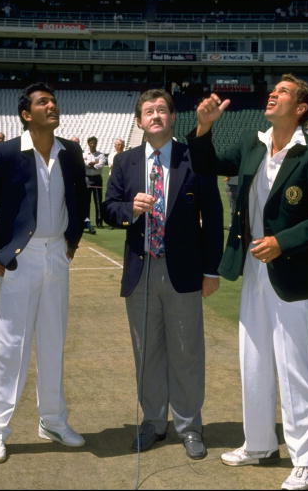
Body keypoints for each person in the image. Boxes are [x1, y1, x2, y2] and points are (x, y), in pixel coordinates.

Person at [187, 74, 308, 490]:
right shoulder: (254, 144)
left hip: (288, 272)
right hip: (251, 268)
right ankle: (258, 444)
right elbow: (207, 164)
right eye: (273, 90)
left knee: (296, 369)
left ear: (302, 108)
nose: (273, 94)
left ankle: (304, 458)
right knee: (252, 361)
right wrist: (203, 128)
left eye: (284, 92)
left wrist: (281, 242)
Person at [102, 88, 223, 460]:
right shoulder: (124, 162)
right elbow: (108, 209)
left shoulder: (193, 157)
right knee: (147, 352)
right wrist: (128, 210)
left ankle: (189, 426)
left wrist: (211, 269)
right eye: (148, 111)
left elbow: (214, 216)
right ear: (139, 121)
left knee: (186, 352)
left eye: (162, 110)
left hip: (183, 271)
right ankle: (154, 422)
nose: (155, 116)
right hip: (141, 271)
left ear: (172, 118)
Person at [0, 82, 88, 464]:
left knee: (53, 342)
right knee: (10, 348)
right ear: (26, 113)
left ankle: (52, 420)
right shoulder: (5, 153)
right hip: (19, 260)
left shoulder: (70, 152)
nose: (51, 106)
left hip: (57, 257)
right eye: (43, 102)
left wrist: (72, 239)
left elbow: (79, 197)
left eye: (53, 101)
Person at [71, 136, 96, 235]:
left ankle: (85, 221)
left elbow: (83, 168)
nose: (76, 144)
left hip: (81, 182)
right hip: (71, 183)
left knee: (84, 203)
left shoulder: (81, 153)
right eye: (74, 142)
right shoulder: (66, 153)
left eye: (77, 142)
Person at [83, 136, 104, 228]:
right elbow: (83, 163)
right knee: (86, 201)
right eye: (91, 143)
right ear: (88, 144)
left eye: (94, 142)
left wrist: (90, 164)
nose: (93, 144)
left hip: (97, 179)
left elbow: (101, 165)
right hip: (87, 179)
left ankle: (99, 222)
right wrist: (92, 163)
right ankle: (86, 221)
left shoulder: (100, 155)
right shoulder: (84, 154)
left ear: (96, 143)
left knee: (98, 201)